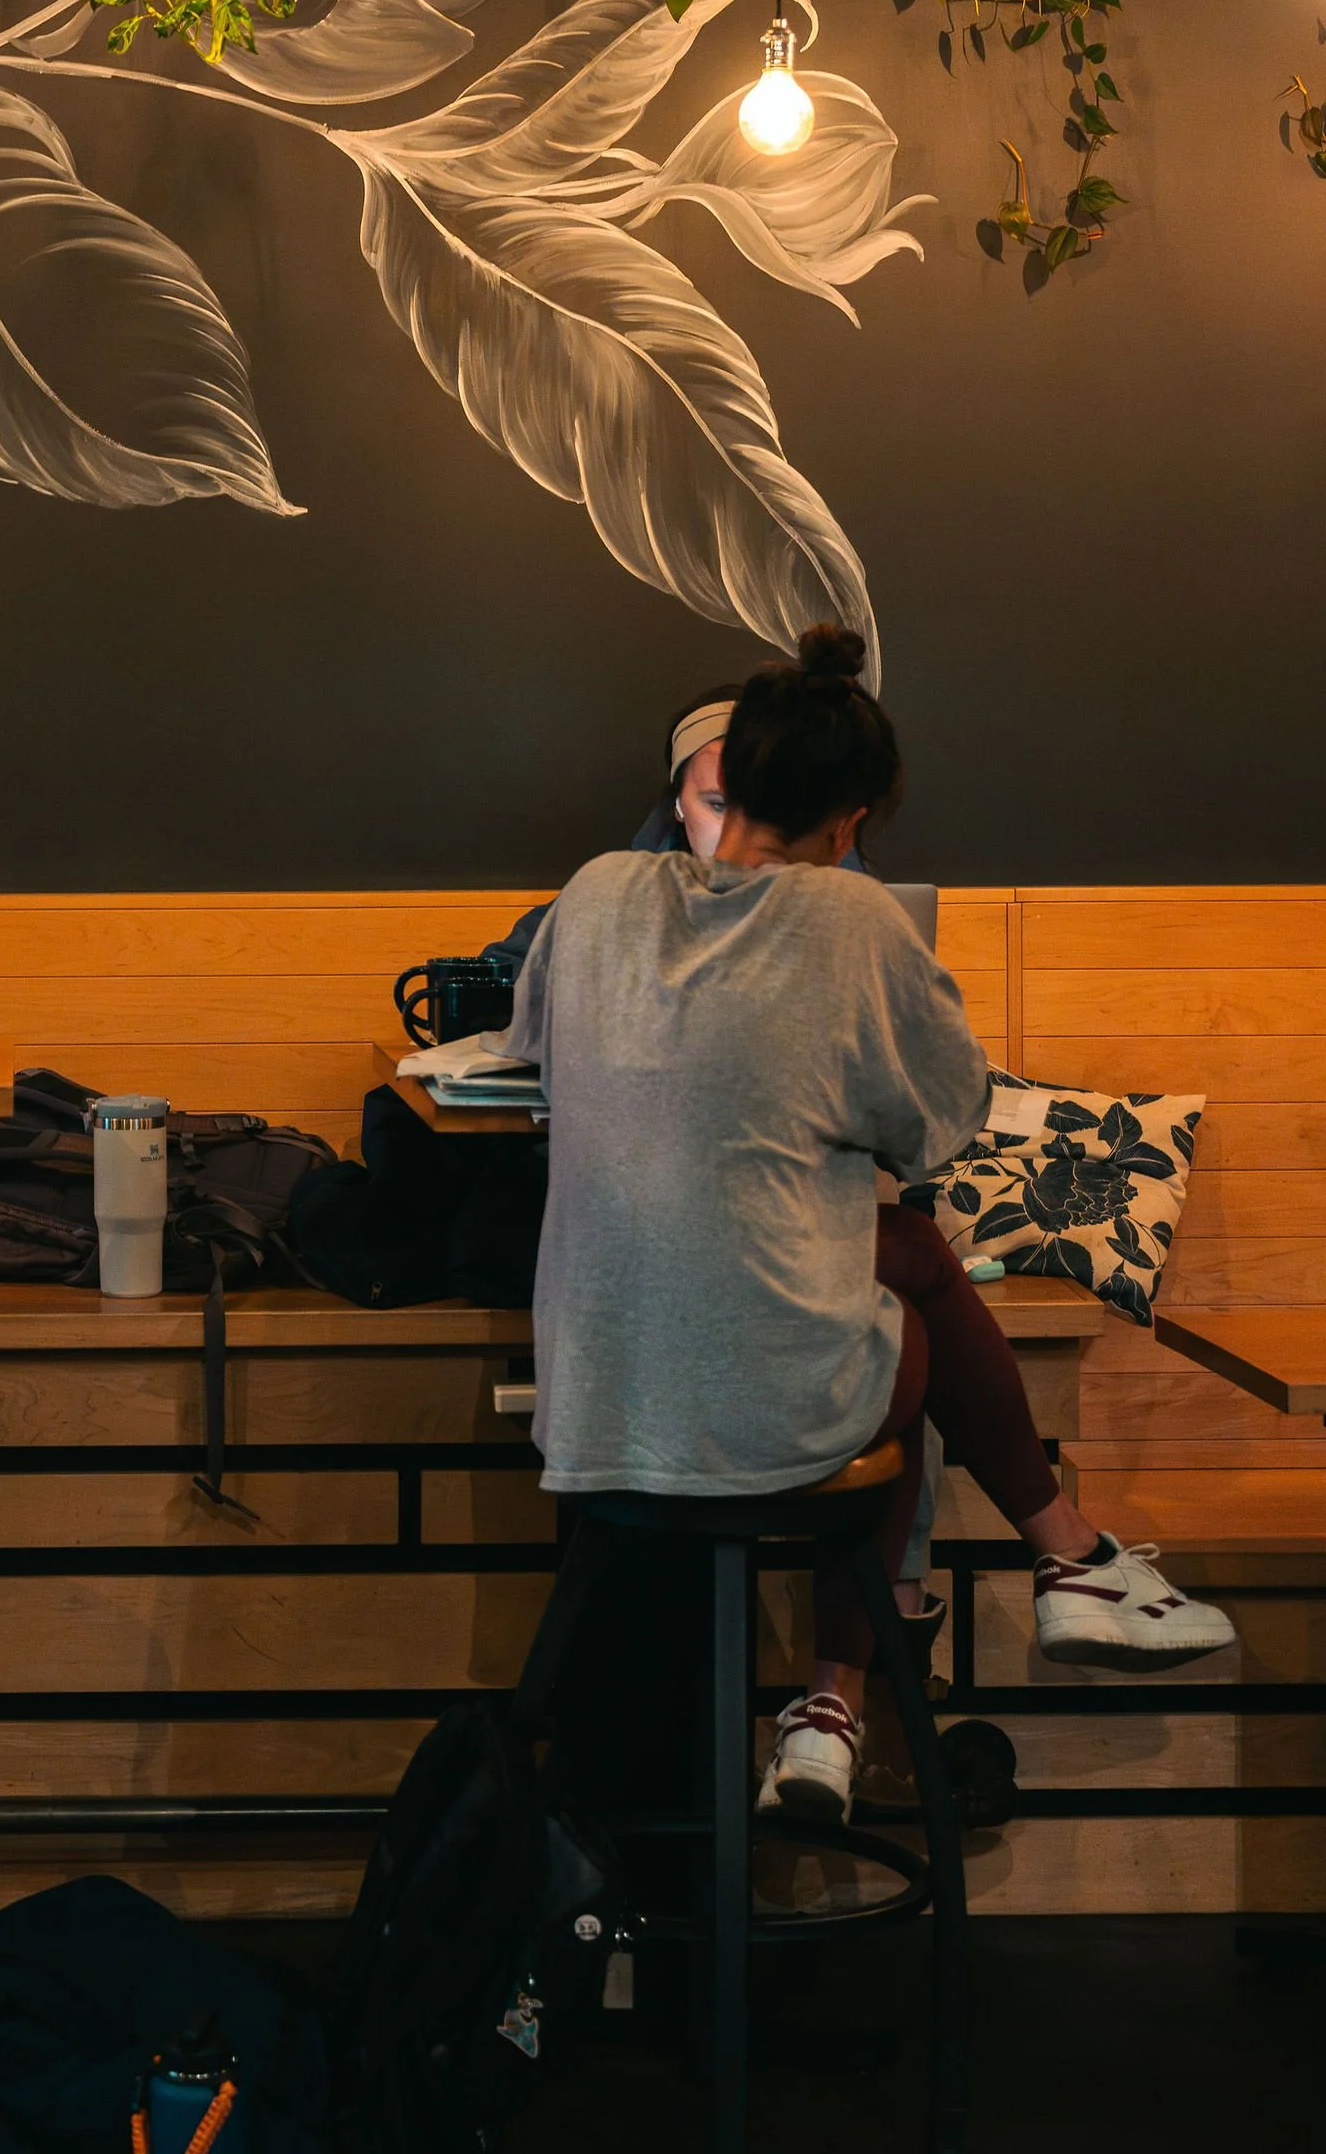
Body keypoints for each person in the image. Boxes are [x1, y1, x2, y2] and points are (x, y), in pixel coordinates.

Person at [504, 623, 1234, 1820]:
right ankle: (941, 1630)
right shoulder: (854, 925)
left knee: (885, 1285)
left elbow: (534, 1048)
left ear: (719, 780)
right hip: (763, 1424)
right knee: (902, 1307)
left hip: (593, 1411)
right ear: (850, 826)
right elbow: (937, 1132)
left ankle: (962, 1627)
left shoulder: (590, 896)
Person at [479, 682, 743, 975]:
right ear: (677, 805)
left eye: (767, 806)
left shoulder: (799, 899)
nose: (741, 831)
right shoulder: (612, 898)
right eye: (718, 805)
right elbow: (492, 984)